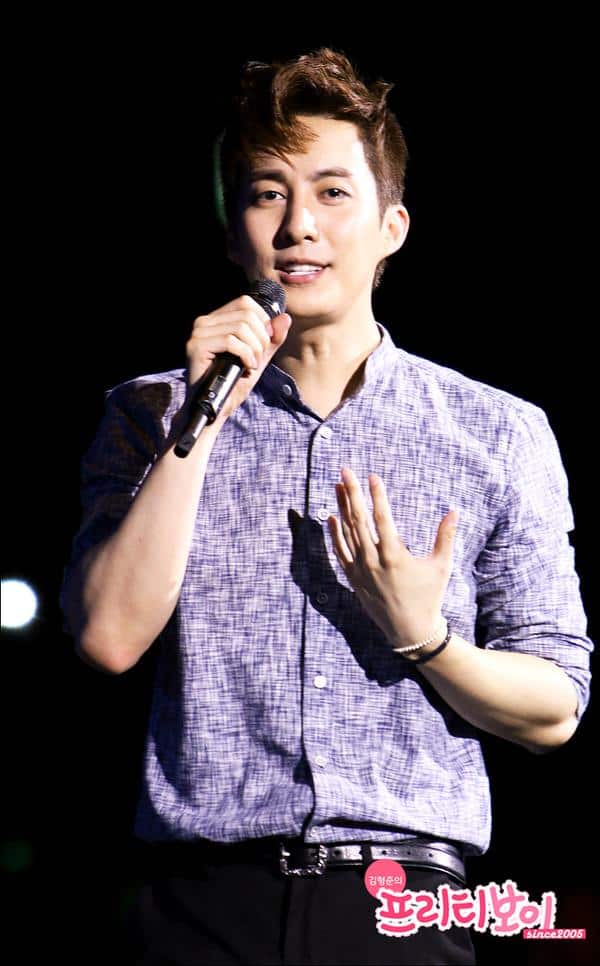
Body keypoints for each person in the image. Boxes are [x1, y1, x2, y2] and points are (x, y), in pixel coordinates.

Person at [60, 47, 593, 966]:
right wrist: (202, 420)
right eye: (267, 194)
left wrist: (426, 638)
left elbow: (555, 707)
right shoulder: (148, 412)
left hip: (403, 904)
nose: (298, 224)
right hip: (198, 903)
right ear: (233, 234)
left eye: (332, 193)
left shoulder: (497, 432)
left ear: (392, 227)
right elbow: (107, 636)